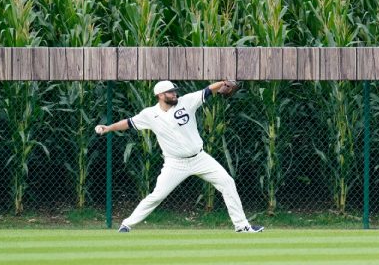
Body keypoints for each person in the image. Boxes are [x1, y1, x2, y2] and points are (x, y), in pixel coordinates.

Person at [95, 80, 263, 233]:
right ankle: (126, 224)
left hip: (200, 158)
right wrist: (109, 128)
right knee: (157, 195)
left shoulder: (186, 102)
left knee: (227, 182)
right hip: (174, 164)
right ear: (160, 95)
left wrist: (223, 83)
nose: (175, 93)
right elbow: (129, 123)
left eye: (175, 91)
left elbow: (207, 91)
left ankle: (242, 226)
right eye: (171, 92)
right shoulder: (149, 114)